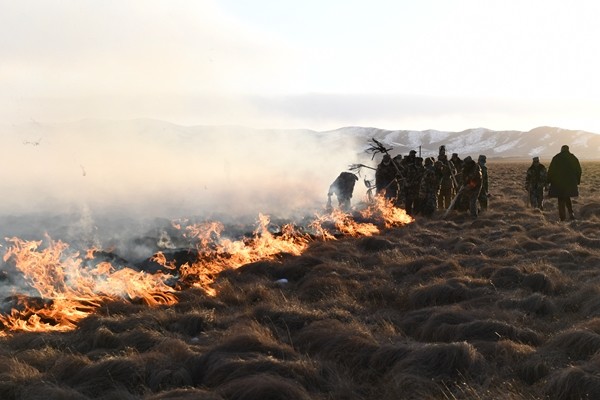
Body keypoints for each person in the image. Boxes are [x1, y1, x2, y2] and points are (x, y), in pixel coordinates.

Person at [547, 145, 582, 221]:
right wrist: (577, 181)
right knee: (567, 197)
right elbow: (578, 170)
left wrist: (548, 181)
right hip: (570, 183)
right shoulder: (573, 157)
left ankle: (562, 217)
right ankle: (571, 213)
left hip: (558, 182)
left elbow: (551, 170)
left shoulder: (556, 158)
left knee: (560, 199)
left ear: (561, 149)